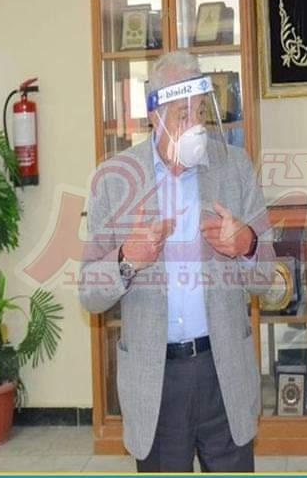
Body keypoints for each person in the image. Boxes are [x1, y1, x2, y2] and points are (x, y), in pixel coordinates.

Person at [79, 51, 274, 472]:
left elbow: (268, 280)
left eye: (200, 111)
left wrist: (247, 244)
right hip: (156, 382)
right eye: (182, 114)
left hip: (224, 373)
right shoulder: (114, 179)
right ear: (154, 116)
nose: (195, 125)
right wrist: (127, 260)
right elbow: (90, 292)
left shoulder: (234, 167)